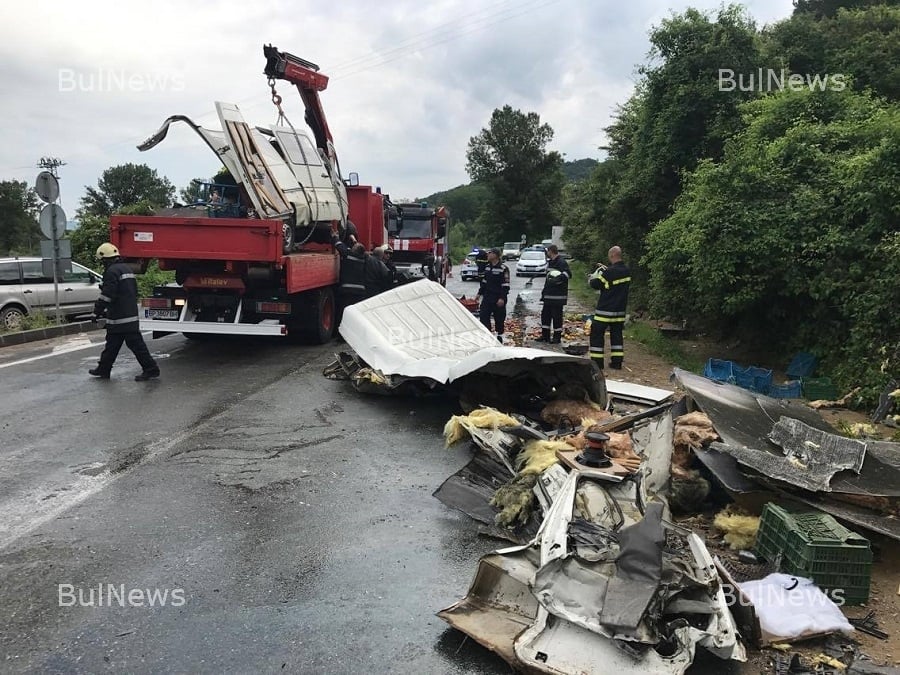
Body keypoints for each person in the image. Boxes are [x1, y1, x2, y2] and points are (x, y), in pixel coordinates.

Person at [89, 243, 160, 381]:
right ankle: (104, 369)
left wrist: (96, 312)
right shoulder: (126, 269)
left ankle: (151, 369)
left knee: (135, 346)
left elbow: (107, 295)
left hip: (120, 317)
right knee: (112, 345)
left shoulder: (111, 272)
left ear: (105, 259)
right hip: (128, 315)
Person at [588, 245, 631, 369]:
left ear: (612, 255)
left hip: (605, 310)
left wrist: (592, 278)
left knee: (596, 334)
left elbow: (596, 284)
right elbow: (613, 283)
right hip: (619, 310)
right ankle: (617, 363)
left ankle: (597, 363)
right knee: (616, 335)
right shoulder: (626, 270)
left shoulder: (609, 272)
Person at [476, 247, 510, 343]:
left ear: (495, 255)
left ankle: (499, 336)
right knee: (483, 316)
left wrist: (502, 298)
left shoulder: (503, 268)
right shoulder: (487, 267)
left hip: (498, 297)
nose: (487, 255)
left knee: (499, 319)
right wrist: (479, 293)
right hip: (487, 297)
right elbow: (484, 282)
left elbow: (506, 286)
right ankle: (488, 336)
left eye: (489, 253)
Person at [538, 244, 571, 343]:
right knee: (545, 316)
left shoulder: (561, 262)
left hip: (557, 296)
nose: (547, 253)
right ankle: (545, 336)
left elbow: (568, 274)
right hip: (548, 296)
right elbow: (548, 278)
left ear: (551, 251)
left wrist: (557, 280)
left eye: (547, 251)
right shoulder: (551, 262)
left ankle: (557, 337)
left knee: (557, 317)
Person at [332, 236, 367, 327]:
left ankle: (341, 333)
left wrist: (335, 236)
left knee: (343, 312)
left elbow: (340, 246)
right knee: (355, 314)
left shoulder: (349, 255)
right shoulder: (364, 258)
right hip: (359, 292)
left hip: (348, 291)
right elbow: (358, 249)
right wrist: (355, 241)